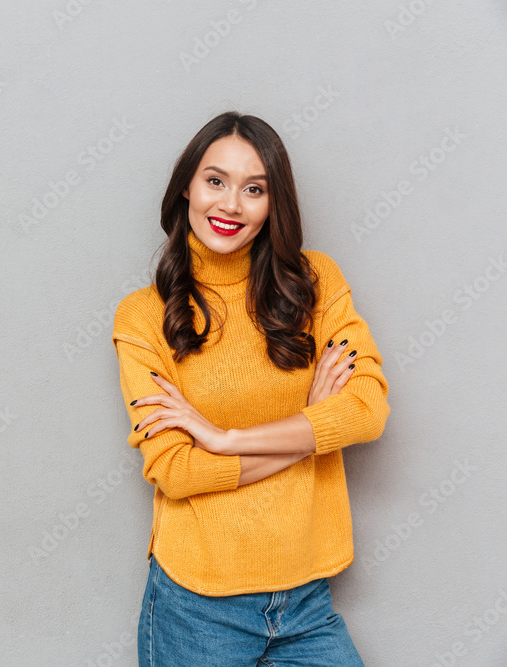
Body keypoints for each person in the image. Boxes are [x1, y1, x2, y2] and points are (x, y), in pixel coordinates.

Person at [110, 111, 390, 666]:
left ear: (273, 202)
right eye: (215, 181)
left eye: (254, 188)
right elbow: (175, 470)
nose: (231, 205)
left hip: (307, 597)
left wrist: (225, 439)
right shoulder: (142, 318)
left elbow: (367, 410)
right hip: (196, 607)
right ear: (186, 186)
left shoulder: (316, 283)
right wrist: (311, 430)